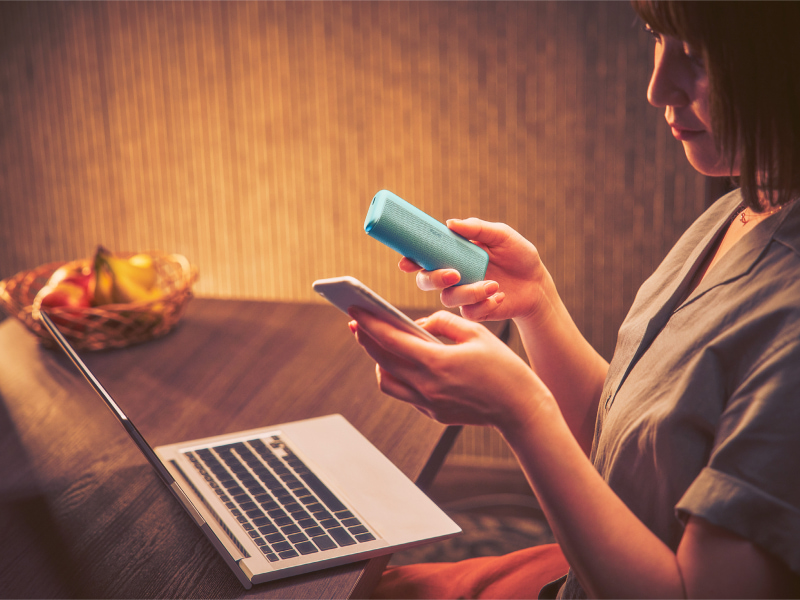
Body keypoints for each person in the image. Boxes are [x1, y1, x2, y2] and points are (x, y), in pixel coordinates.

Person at [347, 1, 800, 598]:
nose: (656, 86)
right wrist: (538, 305)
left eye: (696, 56)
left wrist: (520, 411)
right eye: (656, 38)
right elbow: (634, 456)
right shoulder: (742, 207)